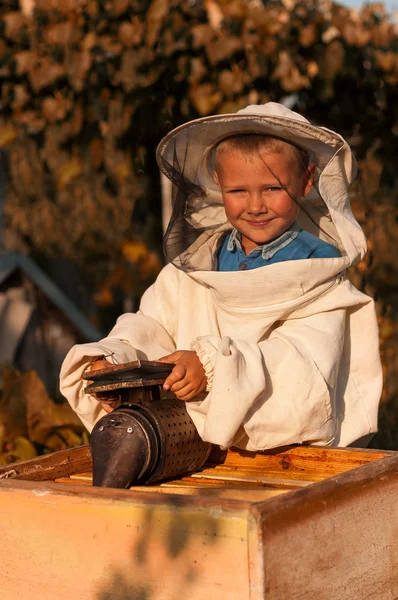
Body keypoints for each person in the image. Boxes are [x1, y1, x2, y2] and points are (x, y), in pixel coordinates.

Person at [60, 102, 382, 450]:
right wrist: (117, 363)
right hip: (194, 451)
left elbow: (302, 369)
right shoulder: (197, 268)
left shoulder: (318, 272)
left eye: (272, 189)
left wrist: (212, 369)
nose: (255, 205)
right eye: (238, 191)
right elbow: (153, 324)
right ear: (218, 182)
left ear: (306, 180)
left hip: (289, 461)